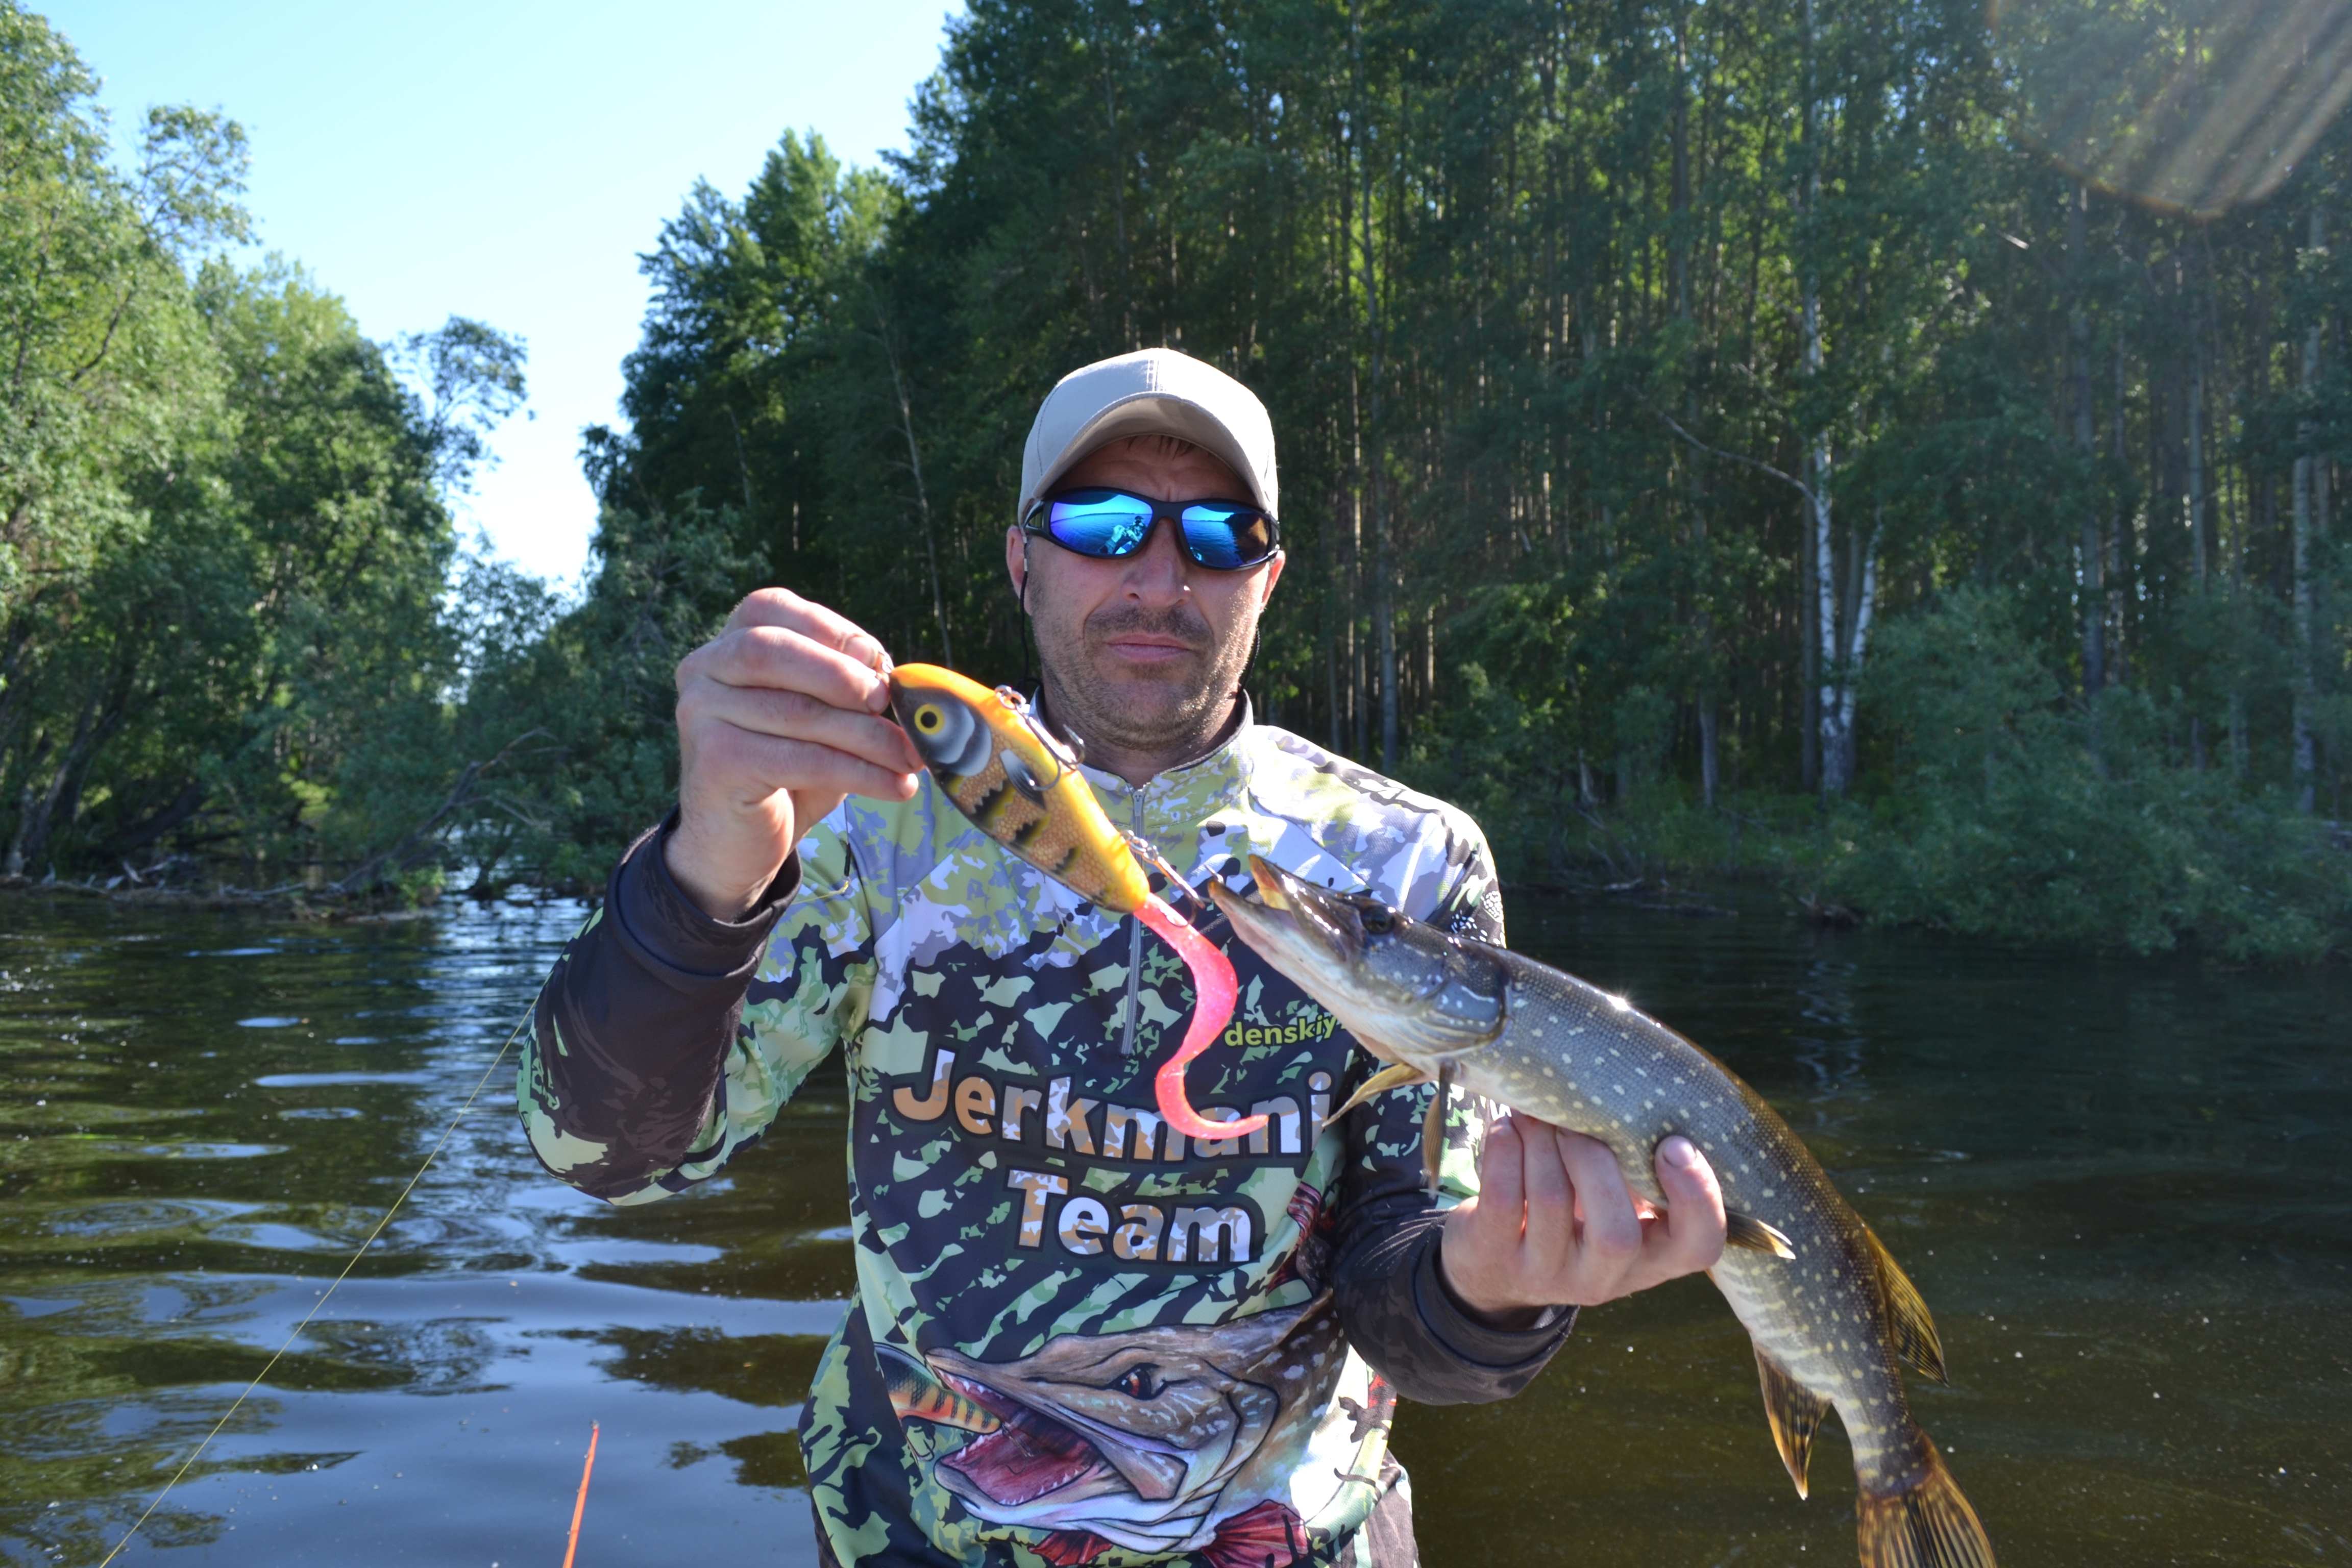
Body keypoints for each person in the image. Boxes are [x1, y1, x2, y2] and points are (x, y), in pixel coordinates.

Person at [518, 347, 1726, 1568]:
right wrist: (704, 870)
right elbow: (606, 1153)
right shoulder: (861, 819)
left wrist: (1490, 1292)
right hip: (914, 1537)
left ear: (1268, 580)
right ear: (1021, 559)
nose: (1160, 577)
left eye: (1219, 534)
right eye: (1101, 524)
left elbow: (1408, 1297)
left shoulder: (1408, 865)